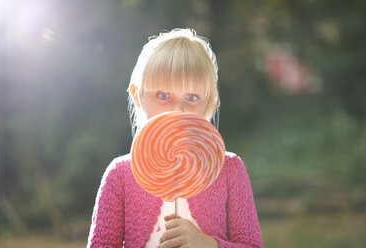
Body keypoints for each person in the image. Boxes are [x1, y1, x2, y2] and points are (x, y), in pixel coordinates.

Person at [87, 28, 263, 248]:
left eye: (192, 97)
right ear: (138, 98)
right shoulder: (120, 175)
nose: (178, 110)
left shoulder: (229, 170)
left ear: (210, 103)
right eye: (163, 96)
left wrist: (209, 244)